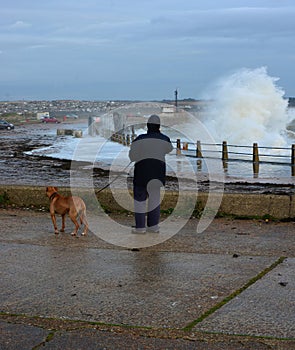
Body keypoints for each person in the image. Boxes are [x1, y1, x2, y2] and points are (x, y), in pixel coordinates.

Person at [129, 115, 173, 233]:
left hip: (141, 175)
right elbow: (169, 149)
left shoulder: (139, 139)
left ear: (147, 126)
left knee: (140, 201)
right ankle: (153, 226)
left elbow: (132, 157)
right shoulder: (165, 139)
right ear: (159, 127)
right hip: (157, 175)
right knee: (154, 201)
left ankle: (140, 228)